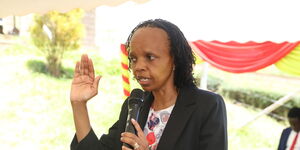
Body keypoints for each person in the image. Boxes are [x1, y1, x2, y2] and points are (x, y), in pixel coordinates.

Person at [70, 19, 228, 150]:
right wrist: (79, 105)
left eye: (150, 57)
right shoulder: (134, 106)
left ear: (175, 60)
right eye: (133, 58)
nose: (138, 66)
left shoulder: (207, 106)